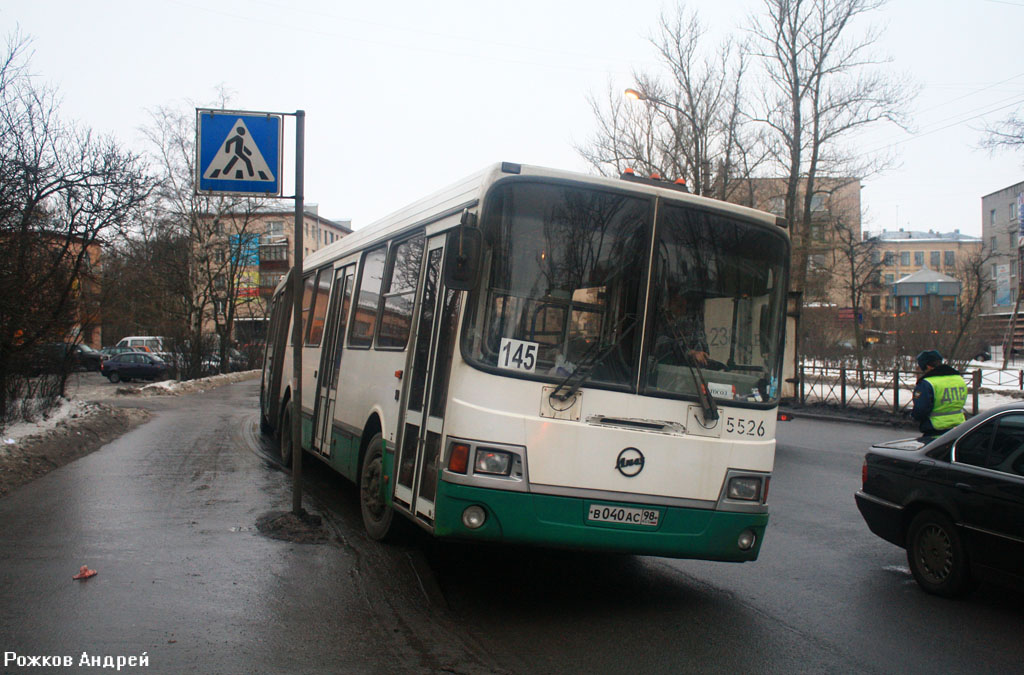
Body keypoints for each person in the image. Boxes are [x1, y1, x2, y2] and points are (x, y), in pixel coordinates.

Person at [910, 350, 967, 437]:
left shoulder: (927, 383)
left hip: (935, 429)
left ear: (928, 366)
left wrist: (913, 416)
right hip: (958, 427)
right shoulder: (958, 378)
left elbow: (921, 409)